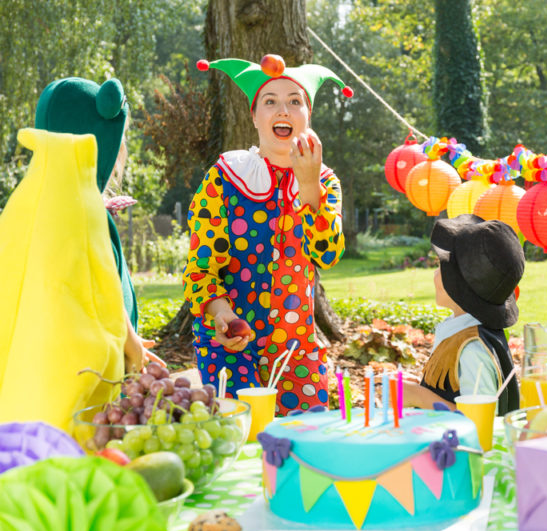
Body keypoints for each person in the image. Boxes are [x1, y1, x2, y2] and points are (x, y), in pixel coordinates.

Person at [184, 55, 349, 414]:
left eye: (294, 101)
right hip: (230, 343)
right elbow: (201, 269)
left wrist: (308, 185)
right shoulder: (226, 176)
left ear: (308, 116)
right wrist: (222, 315)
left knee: (306, 445)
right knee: (243, 444)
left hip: (297, 350)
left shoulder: (325, 182)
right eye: (270, 101)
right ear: (254, 116)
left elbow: (328, 254)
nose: (282, 111)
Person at [34, 77, 162, 373]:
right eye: (119, 139)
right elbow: (98, 287)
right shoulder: (83, 214)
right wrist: (131, 344)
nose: (122, 149)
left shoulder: (43, 207)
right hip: (91, 370)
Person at [401, 214, 522, 416]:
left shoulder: (472, 349)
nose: (434, 274)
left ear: (459, 287)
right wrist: (422, 387)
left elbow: (479, 420)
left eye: (441, 268)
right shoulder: (462, 331)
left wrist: (420, 397)